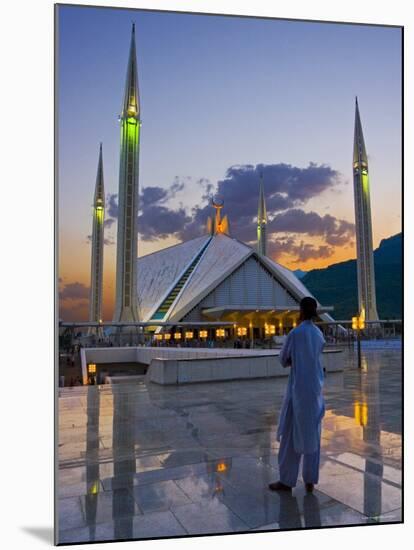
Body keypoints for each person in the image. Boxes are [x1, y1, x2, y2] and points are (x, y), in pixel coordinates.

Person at [269, 296, 325, 493]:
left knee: (291, 437)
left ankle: (287, 480)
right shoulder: (319, 334)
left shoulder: (296, 333)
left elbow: (284, 359)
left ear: (301, 311)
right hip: (315, 391)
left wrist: (294, 360)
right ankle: (310, 479)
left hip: (298, 391)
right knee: (313, 434)